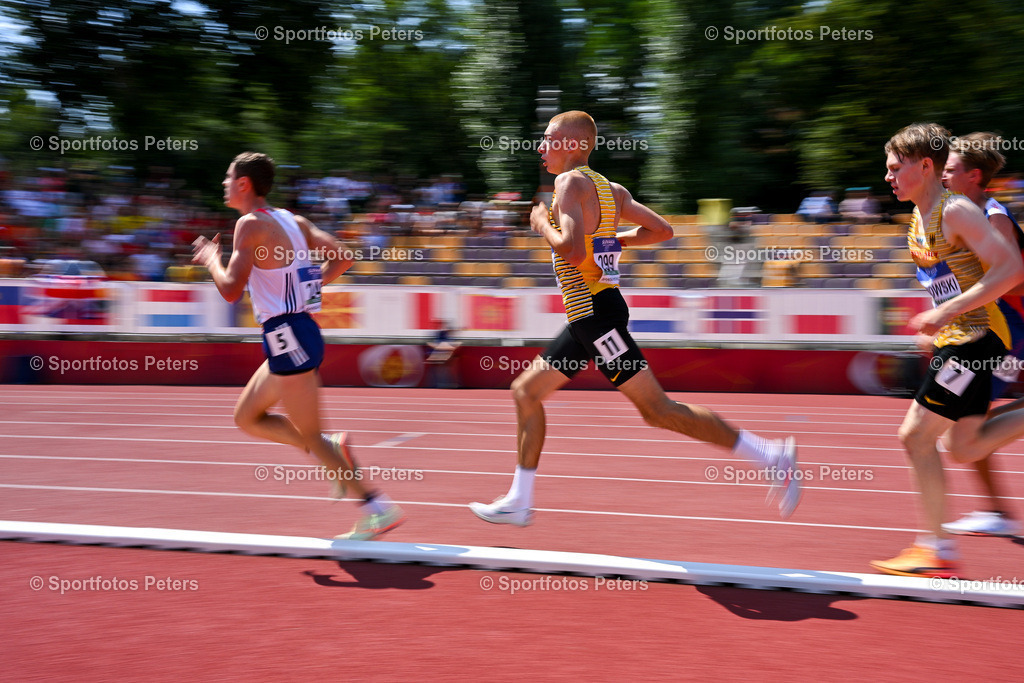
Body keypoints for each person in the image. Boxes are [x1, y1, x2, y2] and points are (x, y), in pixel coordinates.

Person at [469, 111, 801, 527]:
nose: (540, 146)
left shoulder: (569, 183)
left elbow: (571, 251)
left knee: (658, 410)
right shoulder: (612, 190)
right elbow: (662, 230)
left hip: (595, 319)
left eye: (549, 138)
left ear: (575, 145)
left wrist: (541, 224)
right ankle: (520, 498)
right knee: (525, 392)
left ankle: (771, 456)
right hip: (591, 316)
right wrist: (610, 238)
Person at [192, 152, 404, 540]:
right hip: (295, 332)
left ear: (244, 184)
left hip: (287, 335)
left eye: (227, 177)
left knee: (311, 437)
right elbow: (344, 257)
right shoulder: (295, 221)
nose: (223, 183)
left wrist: (210, 259)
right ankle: (332, 448)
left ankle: (377, 508)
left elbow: (229, 290)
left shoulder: (249, 225)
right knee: (246, 418)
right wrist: (309, 288)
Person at [871, 124, 1024, 578]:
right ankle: (936, 547)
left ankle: (935, 547)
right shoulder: (920, 217)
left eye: (896, 168)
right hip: (959, 336)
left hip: (975, 337)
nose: (888, 177)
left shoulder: (956, 210)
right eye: (887, 169)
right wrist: (938, 320)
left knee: (915, 435)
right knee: (965, 446)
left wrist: (947, 313)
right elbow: (948, 278)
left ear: (926, 167)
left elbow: (1011, 268)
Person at [939, 132, 1023, 537]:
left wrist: (963, 302)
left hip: (1011, 328)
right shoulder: (963, 215)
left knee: (964, 425)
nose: (942, 176)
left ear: (974, 175)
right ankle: (997, 512)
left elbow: (1013, 276)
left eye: (950, 169)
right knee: (971, 420)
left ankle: (997, 511)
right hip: (992, 324)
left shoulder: (993, 215)